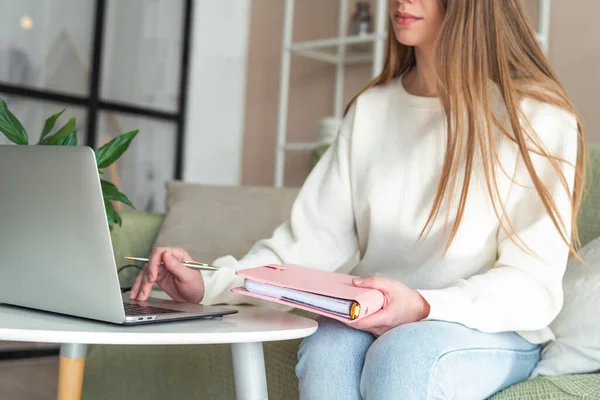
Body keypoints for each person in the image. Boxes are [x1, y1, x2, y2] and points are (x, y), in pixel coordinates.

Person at [130, 0, 587, 398]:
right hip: (381, 317)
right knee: (329, 345)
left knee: (405, 354)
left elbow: (531, 285)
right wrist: (210, 284)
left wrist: (425, 306)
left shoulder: (538, 120)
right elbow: (305, 245)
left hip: (491, 327)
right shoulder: (371, 111)